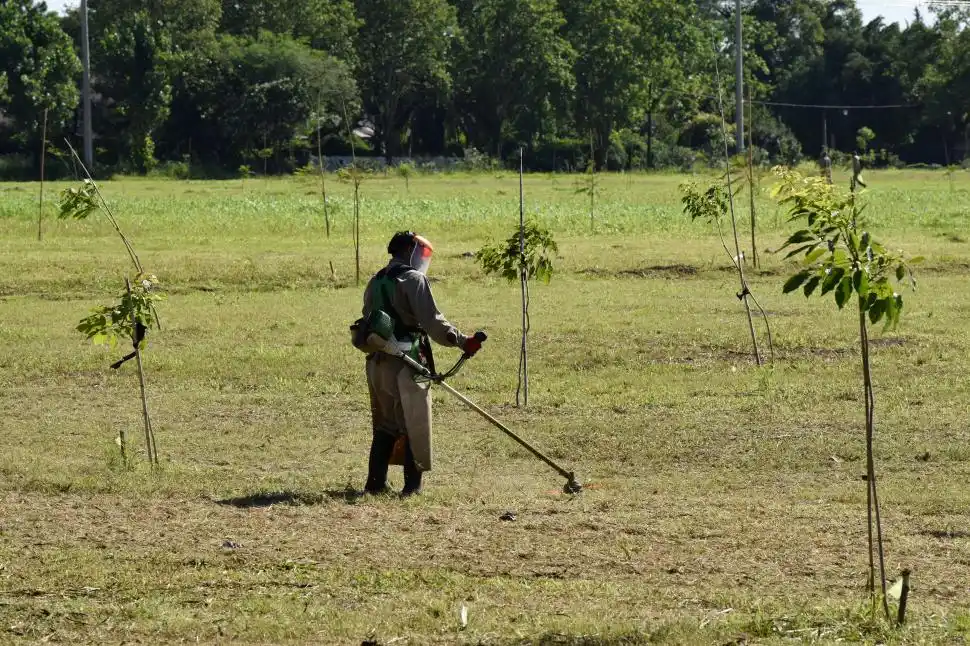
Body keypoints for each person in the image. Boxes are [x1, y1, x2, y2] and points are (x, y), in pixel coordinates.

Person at [360, 231, 482, 497]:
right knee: (415, 423)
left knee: (386, 424)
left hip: (378, 362)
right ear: (411, 251)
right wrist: (463, 341)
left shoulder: (375, 280)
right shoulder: (413, 279)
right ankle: (412, 488)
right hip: (408, 363)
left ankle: (375, 484)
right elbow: (433, 323)